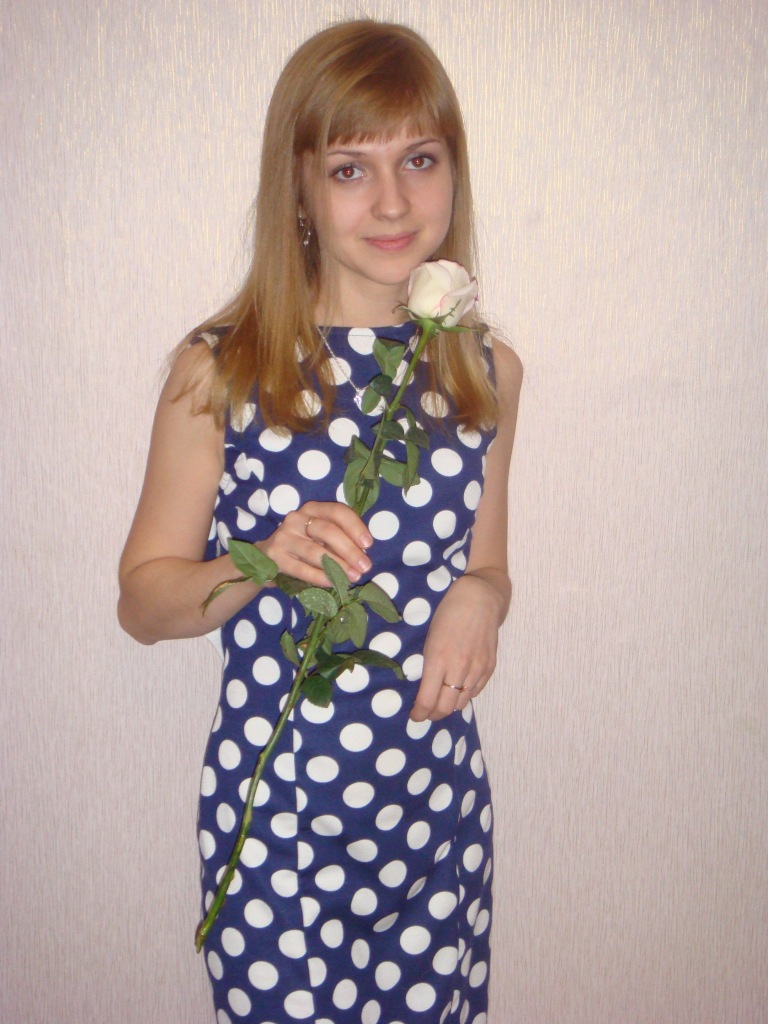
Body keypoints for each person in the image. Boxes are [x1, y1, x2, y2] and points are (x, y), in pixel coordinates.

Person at [118, 19, 522, 1024]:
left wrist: (481, 596)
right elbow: (144, 603)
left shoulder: (486, 372)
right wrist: (258, 561)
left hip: (432, 809)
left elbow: (489, 565)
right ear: (298, 187)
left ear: (453, 172)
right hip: (281, 820)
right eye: (350, 169)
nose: (393, 201)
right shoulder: (222, 369)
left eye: (419, 160)